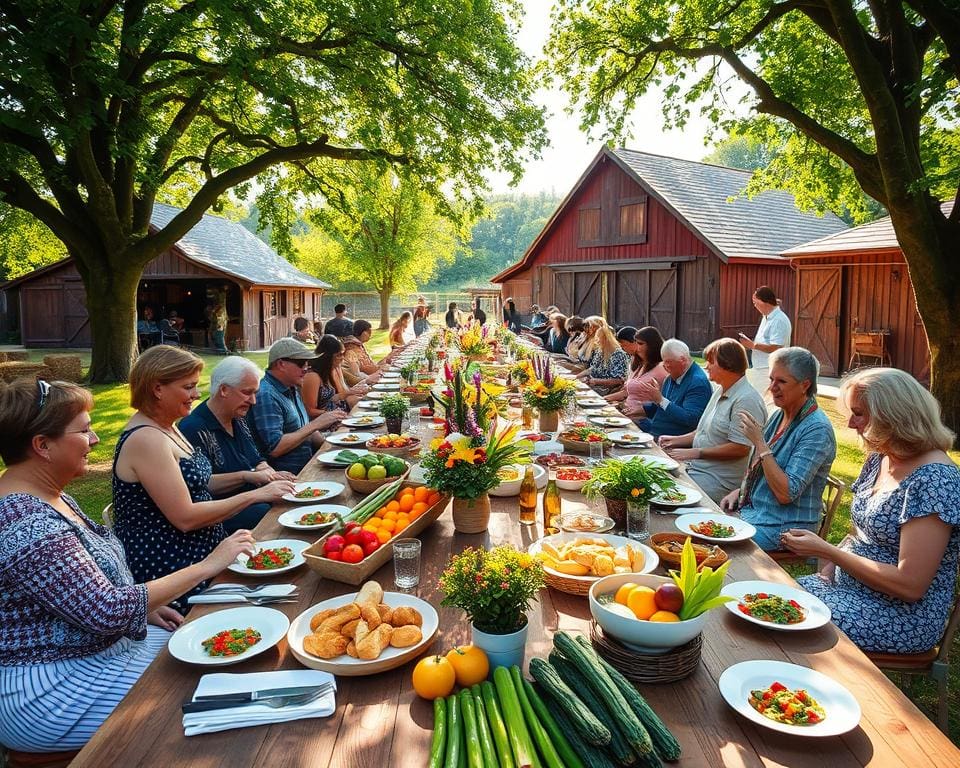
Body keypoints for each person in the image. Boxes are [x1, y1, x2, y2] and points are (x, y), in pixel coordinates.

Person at [0, 378, 257, 753]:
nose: (96, 440)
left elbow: (85, 591)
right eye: (85, 430)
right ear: (42, 445)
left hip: (102, 648)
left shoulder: (51, 496)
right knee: (209, 700)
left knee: (220, 649)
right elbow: (105, 610)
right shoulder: (25, 523)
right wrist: (208, 564)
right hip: (51, 689)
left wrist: (145, 608)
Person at [782, 368, 960, 653]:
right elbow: (859, 531)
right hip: (846, 589)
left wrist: (827, 551)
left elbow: (910, 585)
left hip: (899, 616)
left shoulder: (934, 479)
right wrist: (827, 572)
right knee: (769, 600)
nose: (851, 423)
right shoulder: (881, 458)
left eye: (859, 413)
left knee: (788, 623)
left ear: (894, 415)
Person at [111, 347, 294, 612]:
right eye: (189, 387)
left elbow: (203, 483)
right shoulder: (146, 439)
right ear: (157, 388)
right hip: (175, 568)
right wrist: (255, 494)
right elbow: (185, 518)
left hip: (209, 554)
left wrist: (256, 481)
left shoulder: (168, 427)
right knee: (280, 601)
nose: (197, 394)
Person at [720, 347, 837, 551]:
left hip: (786, 528)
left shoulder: (817, 429)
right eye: (771, 379)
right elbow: (765, 471)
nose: (772, 387)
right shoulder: (779, 414)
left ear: (805, 385)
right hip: (756, 513)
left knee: (718, 545)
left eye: (781, 381)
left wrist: (760, 444)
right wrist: (740, 492)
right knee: (703, 527)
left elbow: (786, 494)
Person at [179, 357, 297, 533]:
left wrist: (271, 474)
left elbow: (256, 459)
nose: (253, 401)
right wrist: (246, 476)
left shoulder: (237, 417)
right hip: (222, 514)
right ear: (224, 390)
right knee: (268, 513)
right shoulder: (193, 428)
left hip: (254, 498)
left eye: (255, 393)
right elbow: (203, 484)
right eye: (247, 392)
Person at [659, 338, 767, 503]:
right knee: (655, 478)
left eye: (711, 362)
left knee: (664, 494)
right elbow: (703, 431)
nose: (706, 366)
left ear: (728, 364)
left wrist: (696, 452)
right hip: (697, 468)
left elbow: (741, 448)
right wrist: (675, 440)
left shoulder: (746, 399)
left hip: (718, 480)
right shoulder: (721, 390)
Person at [247, 338, 348, 474]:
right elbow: (275, 448)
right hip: (290, 476)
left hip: (309, 465)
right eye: (301, 363)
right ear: (281, 364)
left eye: (307, 363)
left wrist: (334, 446)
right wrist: (315, 425)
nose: (306, 368)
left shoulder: (291, 387)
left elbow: (304, 431)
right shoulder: (267, 395)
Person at [636, 338, 712, 438]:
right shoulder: (671, 378)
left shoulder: (697, 382)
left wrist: (660, 400)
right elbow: (664, 409)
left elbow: (691, 419)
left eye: (668, 362)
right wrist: (640, 408)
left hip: (671, 439)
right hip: (655, 430)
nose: (665, 366)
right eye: (664, 362)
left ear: (683, 360)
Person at [741, 286, 792, 400]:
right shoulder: (767, 317)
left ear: (765, 302)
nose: (755, 306)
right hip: (761, 368)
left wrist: (753, 345)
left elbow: (776, 347)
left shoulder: (778, 320)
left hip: (769, 370)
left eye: (756, 302)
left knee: (764, 403)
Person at [605, 326, 668, 416]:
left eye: (640, 344)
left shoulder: (662, 368)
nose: (637, 348)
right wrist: (604, 399)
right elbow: (628, 392)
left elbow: (661, 403)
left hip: (641, 419)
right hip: (626, 412)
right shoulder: (639, 363)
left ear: (652, 345)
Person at [303, 335, 366, 417]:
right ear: (327, 357)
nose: (342, 358)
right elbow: (310, 411)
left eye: (343, 354)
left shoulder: (329, 370)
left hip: (339, 414)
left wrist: (349, 393)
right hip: (327, 422)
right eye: (339, 355)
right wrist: (335, 414)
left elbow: (332, 399)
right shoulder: (312, 376)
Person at [576, 317, 630, 393]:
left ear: (607, 339)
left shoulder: (619, 354)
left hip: (608, 390)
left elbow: (619, 380)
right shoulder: (600, 351)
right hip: (596, 387)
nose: (596, 341)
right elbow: (592, 368)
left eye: (598, 339)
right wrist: (576, 377)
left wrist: (597, 381)